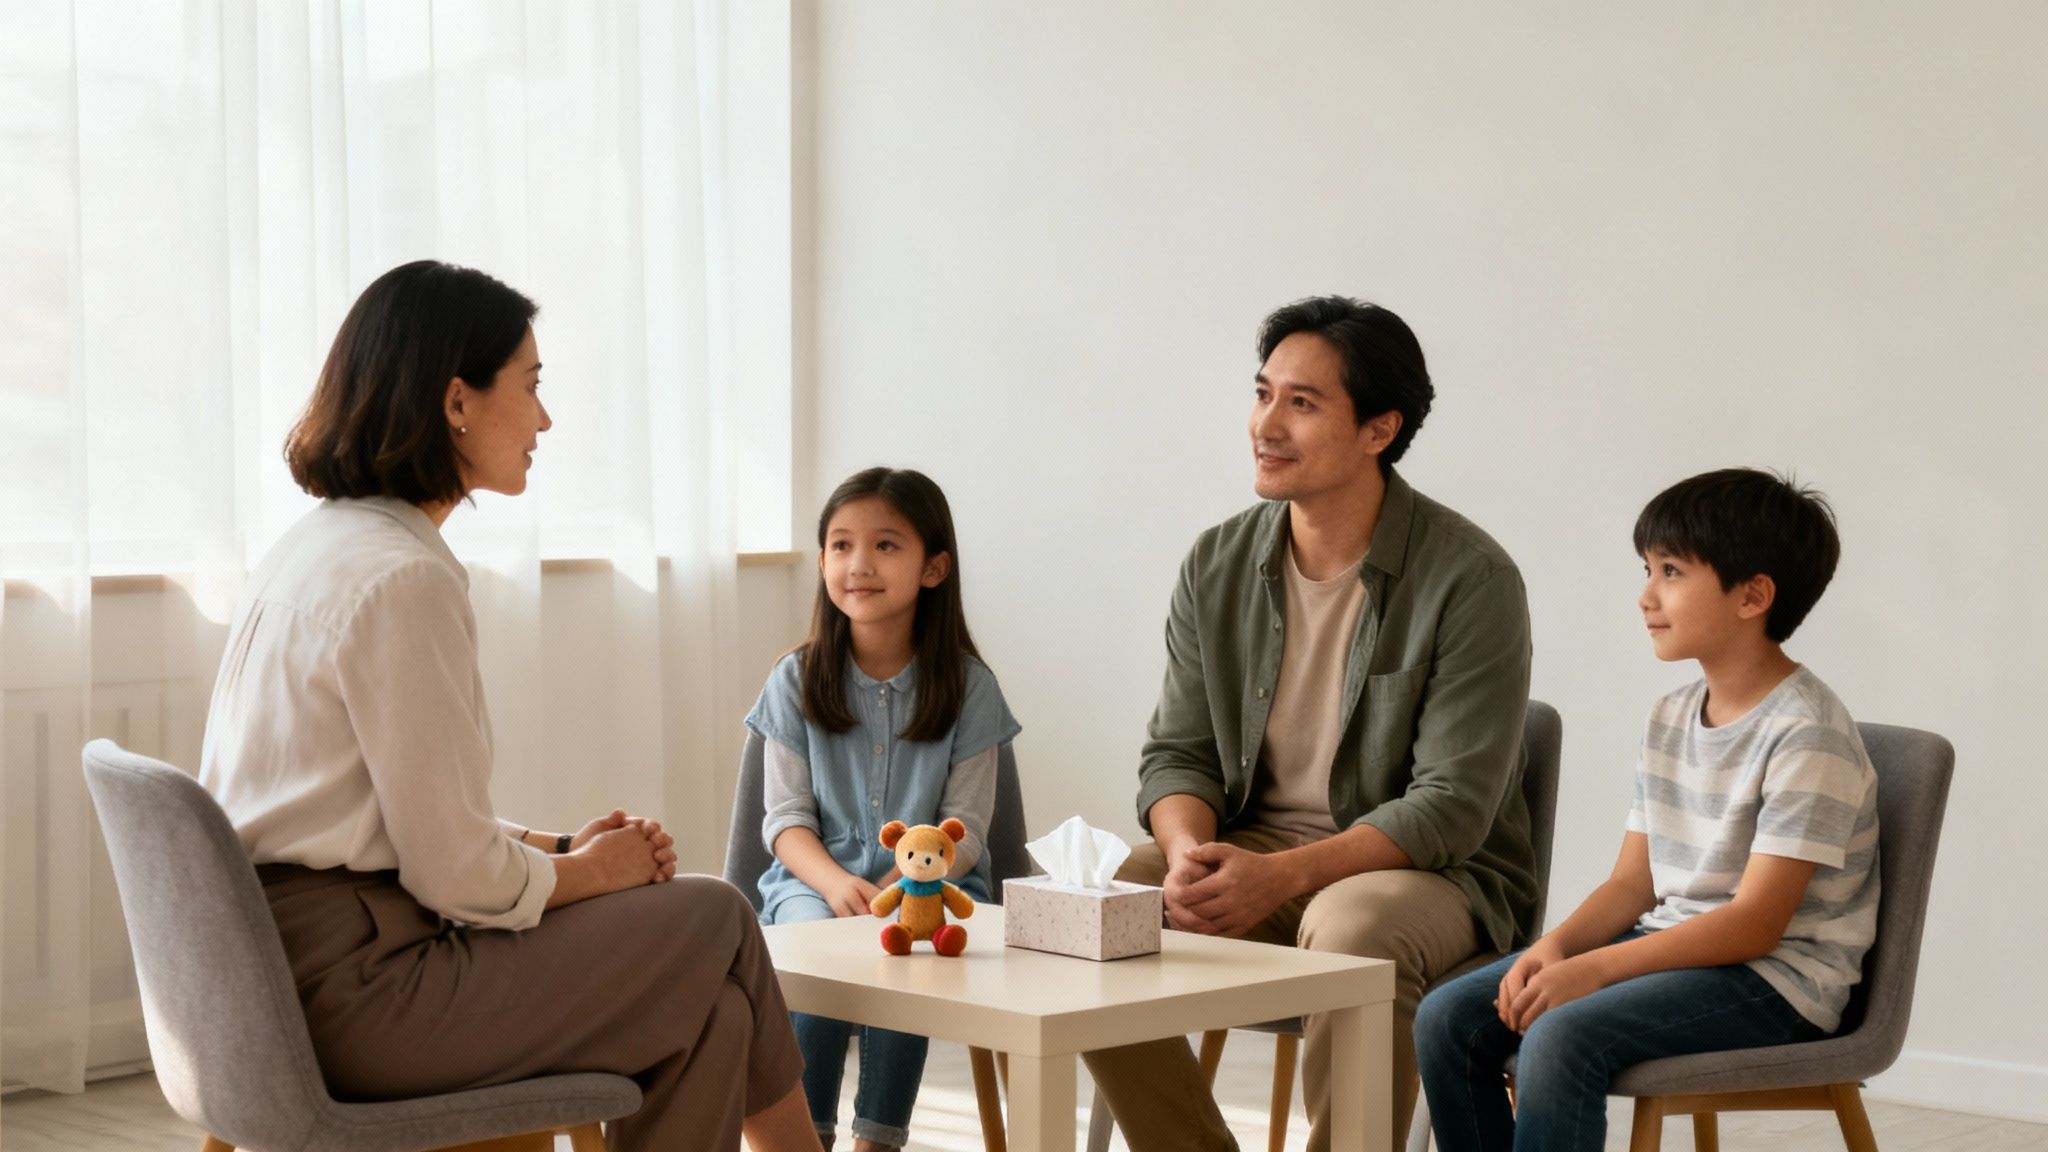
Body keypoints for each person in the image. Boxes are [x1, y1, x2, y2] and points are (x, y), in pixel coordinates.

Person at [198, 260, 821, 1152]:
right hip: (365, 995)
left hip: (281, 981)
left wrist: (558, 849)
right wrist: (596, 875)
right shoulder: (402, 578)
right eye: (530, 388)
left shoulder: (318, 547)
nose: (544, 419)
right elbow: (455, 877)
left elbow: (384, 812)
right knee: (719, 915)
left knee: (714, 1012)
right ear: (458, 401)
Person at [1083, 296, 1538, 1152]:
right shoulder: (1217, 561)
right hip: (1257, 852)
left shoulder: (1471, 577)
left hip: (1429, 878)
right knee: (1105, 903)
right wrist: (1186, 857)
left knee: (1353, 928)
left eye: (1303, 403)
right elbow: (1176, 753)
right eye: (1263, 394)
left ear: (1379, 429)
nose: (1266, 424)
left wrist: (1285, 876)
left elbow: (1450, 806)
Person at [1414, 468, 1880, 1152]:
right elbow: (1633, 884)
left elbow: (1755, 924)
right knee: (1447, 1017)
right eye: (1647, 568)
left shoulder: (1808, 734)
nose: (1646, 596)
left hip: (1775, 980)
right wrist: (1554, 950)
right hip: (1675, 950)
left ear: (1754, 595)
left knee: (1562, 1032)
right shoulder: (1670, 716)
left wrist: (1594, 970)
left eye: (1670, 571)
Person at [747, 466, 1021, 1152]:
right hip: (816, 885)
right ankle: (802, 1141)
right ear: (821, 562)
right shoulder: (793, 679)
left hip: (934, 888)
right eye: (840, 546)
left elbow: (968, 829)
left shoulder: (970, 688)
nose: (858, 564)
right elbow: (785, 822)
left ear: (934, 568)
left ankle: (878, 1143)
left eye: (886, 546)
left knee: (907, 954)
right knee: (819, 963)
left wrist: (913, 887)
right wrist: (839, 884)